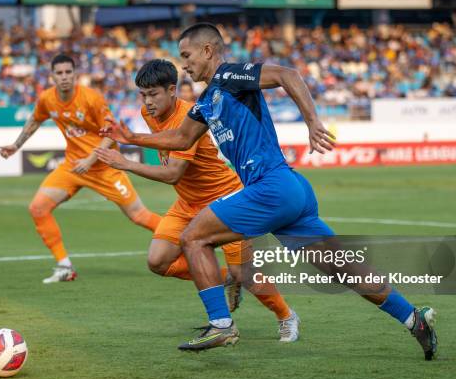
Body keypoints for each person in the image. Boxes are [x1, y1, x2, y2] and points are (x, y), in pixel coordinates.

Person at [101, 23, 437, 359]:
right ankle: (413, 319)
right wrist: (131, 138)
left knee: (193, 238)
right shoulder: (205, 101)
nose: (184, 64)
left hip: (271, 186)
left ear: (208, 50)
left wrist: (312, 121)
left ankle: (221, 324)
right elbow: (180, 139)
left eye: (187, 56)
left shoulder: (230, 77)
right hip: (289, 193)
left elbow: (288, 75)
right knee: (344, 270)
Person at [96, 59, 300, 342]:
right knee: (158, 261)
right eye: (143, 95)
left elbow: (172, 173)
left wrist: (126, 163)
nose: (147, 102)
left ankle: (286, 316)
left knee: (247, 273)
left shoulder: (187, 116)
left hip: (225, 198)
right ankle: (224, 277)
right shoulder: (148, 113)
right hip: (187, 203)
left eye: (153, 94)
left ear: (171, 90)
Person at [0, 54, 161, 284]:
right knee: (38, 208)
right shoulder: (47, 99)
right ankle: (64, 267)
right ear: (52, 76)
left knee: (139, 216)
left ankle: (182, 236)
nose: (64, 77)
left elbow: (110, 132)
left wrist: (91, 159)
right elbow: (35, 120)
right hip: (73, 166)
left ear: (75, 74)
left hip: (104, 167)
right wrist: (16, 145)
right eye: (59, 73)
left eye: (68, 72)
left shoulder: (91, 98)